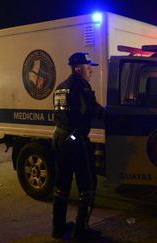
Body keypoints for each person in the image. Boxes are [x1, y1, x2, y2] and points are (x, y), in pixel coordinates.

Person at [52, 52, 108, 241]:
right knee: (88, 186)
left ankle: (58, 228)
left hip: (59, 138)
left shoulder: (60, 88)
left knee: (62, 186)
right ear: (78, 69)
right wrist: (115, 117)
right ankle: (81, 231)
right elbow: (92, 109)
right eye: (88, 67)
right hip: (76, 140)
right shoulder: (80, 86)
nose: (90, 70)